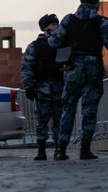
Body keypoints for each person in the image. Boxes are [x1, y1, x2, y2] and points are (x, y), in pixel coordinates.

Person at [48, 0, 108, 160]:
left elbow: (52, 41)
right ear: (97, 3)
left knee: (68, 108)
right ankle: (85, 150)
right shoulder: (101, 21)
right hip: (93, 70)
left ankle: (61, 150)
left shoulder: (69, 20)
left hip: (73, 69)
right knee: (89, 109)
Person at [21, 14, 64, 160]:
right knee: (42, 121)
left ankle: (60, 149)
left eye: (56, 24)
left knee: (59, 119)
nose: (55, 27)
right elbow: (27, 67)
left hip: (59, 87)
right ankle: (41, 150)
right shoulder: (34, 46)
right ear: (44, 28)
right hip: (42, 89)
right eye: (52, 24)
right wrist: (28, 87)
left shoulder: (61, 44)